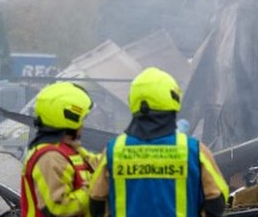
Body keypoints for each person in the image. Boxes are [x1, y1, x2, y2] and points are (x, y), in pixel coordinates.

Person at [88, 67, 229, 217]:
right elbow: (217, 199)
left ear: (133, 101)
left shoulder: (113, 151)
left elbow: (96, 200)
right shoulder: (193, 151)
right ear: (173, 99)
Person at [20, 82, 99, 217]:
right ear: (71, 117)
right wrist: (96, 189)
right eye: (83, 119)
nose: (83, 125)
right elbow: (59, 208)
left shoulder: (71, 150)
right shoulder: (50, 157)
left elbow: (100, 163)